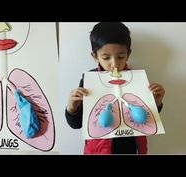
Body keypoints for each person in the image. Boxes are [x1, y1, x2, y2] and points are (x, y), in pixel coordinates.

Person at [65, 22, 165, 155]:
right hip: (99, 150)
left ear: (128, 54)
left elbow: (147, 120)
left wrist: (156, 102)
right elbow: (76, 124)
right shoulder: (89, 80)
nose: (114, 64)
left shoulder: (137, 80)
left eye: (121, 57)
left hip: (131, 148)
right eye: (106, 58)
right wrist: (72, 108)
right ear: (95, 56)